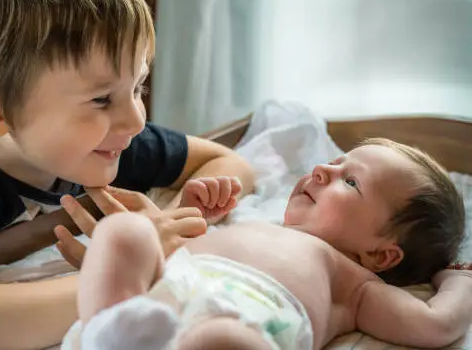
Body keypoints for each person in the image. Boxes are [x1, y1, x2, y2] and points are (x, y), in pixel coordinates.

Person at [0, 0, 254, 349]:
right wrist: (115, 277)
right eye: (102, 98)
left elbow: (229, 160)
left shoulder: (106, 142)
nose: (136, 120)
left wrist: (170, 220)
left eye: (138, 87)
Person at [59, 138, 472, 350]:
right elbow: (171, 244)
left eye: (350, 181)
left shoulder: (357, 284)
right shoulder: (253, 218)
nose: (323, 169)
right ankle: (110, 328)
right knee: (127, 232)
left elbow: (435, 323)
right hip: (157, 303)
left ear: (381, 254)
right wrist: (192, 211)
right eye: (336, 161)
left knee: (223, 340)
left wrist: (458, 279)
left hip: (234, 328)